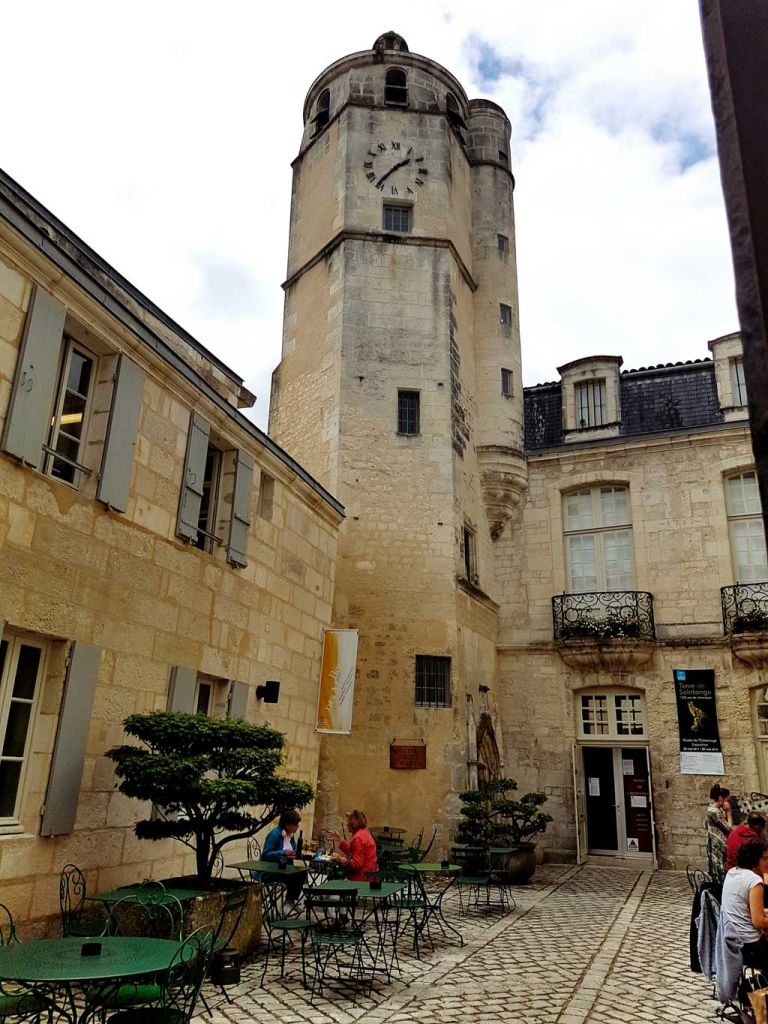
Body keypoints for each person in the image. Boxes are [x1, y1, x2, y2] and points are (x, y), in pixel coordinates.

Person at [720, 839, 768, 970]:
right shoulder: (754, 881)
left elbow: (745, 909)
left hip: (731, 941)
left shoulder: (732, 872)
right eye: (766, 858)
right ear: (754, 859)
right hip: (750, 946)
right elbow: (758, 921)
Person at [262, 809, 304, 904]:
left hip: (285, 867)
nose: (297, 827)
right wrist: (283, 853)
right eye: (295, 824)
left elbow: (292, 851)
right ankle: (289, 901)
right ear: (287, 825)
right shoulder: (275, 834)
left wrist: (294, 853)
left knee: (302, 872)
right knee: (297, 875)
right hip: (271, 869)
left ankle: (290, 900)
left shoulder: (291, 836)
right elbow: (265, 855)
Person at [328, 809, 378, 881]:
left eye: (348, 821)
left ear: (353, 823)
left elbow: (357, 864)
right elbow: (355, 853)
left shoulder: (358, 838)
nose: (346, 823)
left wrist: (340, 859)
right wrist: (341, 840)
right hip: (370, 876)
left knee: (333, 877)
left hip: (361, 879)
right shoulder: (364, 834)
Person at [706, 783, 733, 882]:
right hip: (718, 845)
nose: (728, 803)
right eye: (727, 800)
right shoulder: (715, 812)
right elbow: (729, 828)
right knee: (720, 872)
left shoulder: (712, 808)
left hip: (714, 843)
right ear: (721, 798)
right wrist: (729, 812)